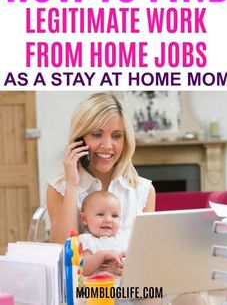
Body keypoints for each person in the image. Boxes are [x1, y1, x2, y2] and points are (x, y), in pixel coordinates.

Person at [46, 93, 156, 268]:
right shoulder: (59, 189)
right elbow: (63, 255)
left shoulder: (143, 190)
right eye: (97, 134)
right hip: (86, 292)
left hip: (134, 290)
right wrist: (72, 186)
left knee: (193, 295)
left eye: (117, 136)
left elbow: (148, 254)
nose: (107, 145)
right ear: (79, 140)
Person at [78, 190, 127, 276]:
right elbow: (83, 268)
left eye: (114, 216)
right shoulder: (87, 240)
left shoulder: (122, 238)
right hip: (99, 287)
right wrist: (102, 255)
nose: (108, 220)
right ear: (84, 219)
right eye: (100, 214)